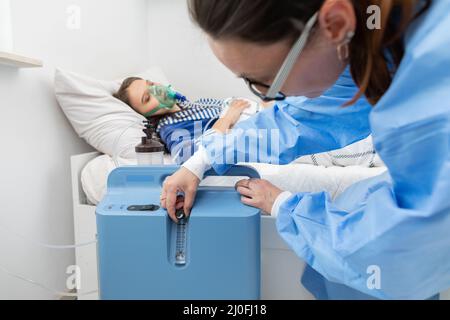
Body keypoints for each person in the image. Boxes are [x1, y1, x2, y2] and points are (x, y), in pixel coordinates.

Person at [160, 0, 450, 299]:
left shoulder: (435, 68)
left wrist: (287, 208)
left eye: (265, 81)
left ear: (335, 23)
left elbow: (406, 246)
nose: (266, 95)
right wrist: (201, 160)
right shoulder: (372, 38)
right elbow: (297, 120)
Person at [113, 77, 252, 163]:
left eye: (151, 84)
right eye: (147, 98)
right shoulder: (170, 128)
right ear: (146, 115)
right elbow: (187, 158)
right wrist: (227, 119)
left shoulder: (197, 103)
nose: (156, 91)